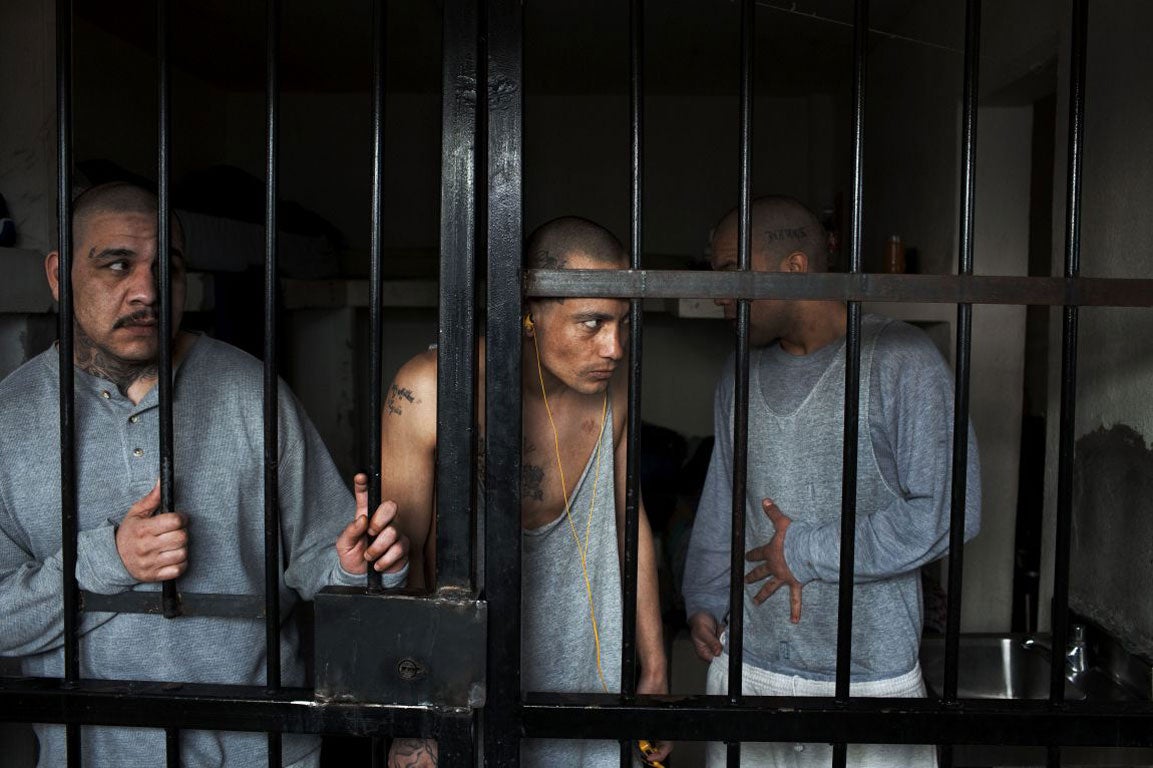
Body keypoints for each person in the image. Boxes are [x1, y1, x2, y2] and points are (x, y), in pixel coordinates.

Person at [0, 182, 408, 767]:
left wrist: (355, 567)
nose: (146, 291)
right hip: (91, 752)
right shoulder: (11, 419)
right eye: (117, 265)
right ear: (60, 276)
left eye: (166, 268)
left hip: (263, 751)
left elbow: (324, 563)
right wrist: (107, 561)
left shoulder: (252, 392)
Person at [683, 196, 981, 767]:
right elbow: (724, 494)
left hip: (870, 680)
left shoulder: (902, 361)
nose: (717, 294)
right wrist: (705, 597)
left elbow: (948, 511)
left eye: (728, 274)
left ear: (796, 268)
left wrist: (806, 550)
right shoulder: (738, 372)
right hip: (750, 668)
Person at [382, 217, 670, 768]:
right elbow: (404, 563)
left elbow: (627, 520)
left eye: (624, 323)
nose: (614, 346)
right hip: (466, 692)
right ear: (530, 311)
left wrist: (654, 670)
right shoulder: (430, 391)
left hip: (591, 692)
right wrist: (417, 717)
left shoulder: (614, 391)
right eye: (592, 323)